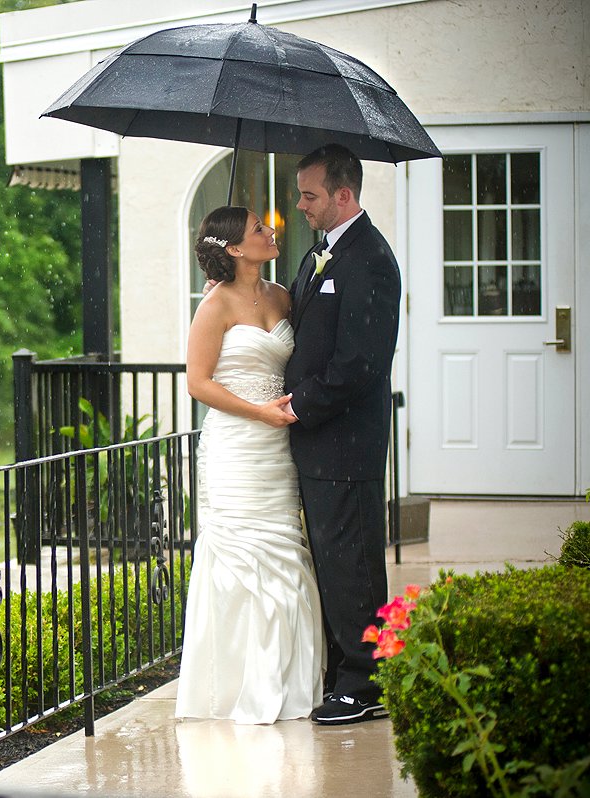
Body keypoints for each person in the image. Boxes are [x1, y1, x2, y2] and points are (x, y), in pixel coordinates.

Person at [175, 205, 325, 725]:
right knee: (239, 560)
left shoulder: (284, 296)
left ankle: (287, 683)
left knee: (284, 551)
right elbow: (198, 383)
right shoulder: (213, 306)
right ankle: (235, 686)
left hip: (277, 447)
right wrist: (259, 411)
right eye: (258, 228)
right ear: (235, 249)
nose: (271, 230)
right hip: (236, 446)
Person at [285, 143, 401, 725]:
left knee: (352, 558)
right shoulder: (316, 258)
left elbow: (360, 364)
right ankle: (342, 673)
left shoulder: (371, 260)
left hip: (346, 441)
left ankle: (367, 682)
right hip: (317, 442)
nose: (300, 206)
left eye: (310, 195)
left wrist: (298, 406)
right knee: (330, 560)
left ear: (344, 195)